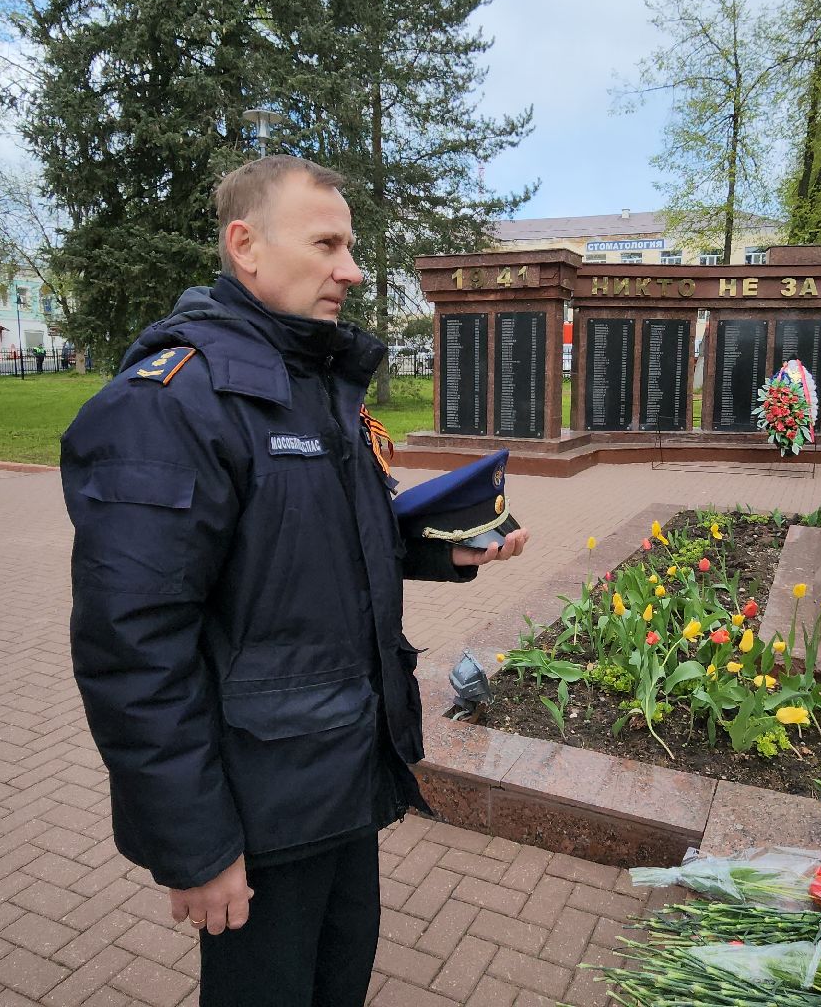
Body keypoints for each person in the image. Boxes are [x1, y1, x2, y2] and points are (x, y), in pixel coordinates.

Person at [60, 155, 529, 1007]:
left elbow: (314, 541)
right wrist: (195, 846)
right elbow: (132, 652)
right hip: (258, 806)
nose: (351, 269)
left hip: (342, 771)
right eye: (327, 244)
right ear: (246, 244)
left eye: (349, 246)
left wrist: (440, 551)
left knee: (337, 983)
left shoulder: (309, 382)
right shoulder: (167, 405)